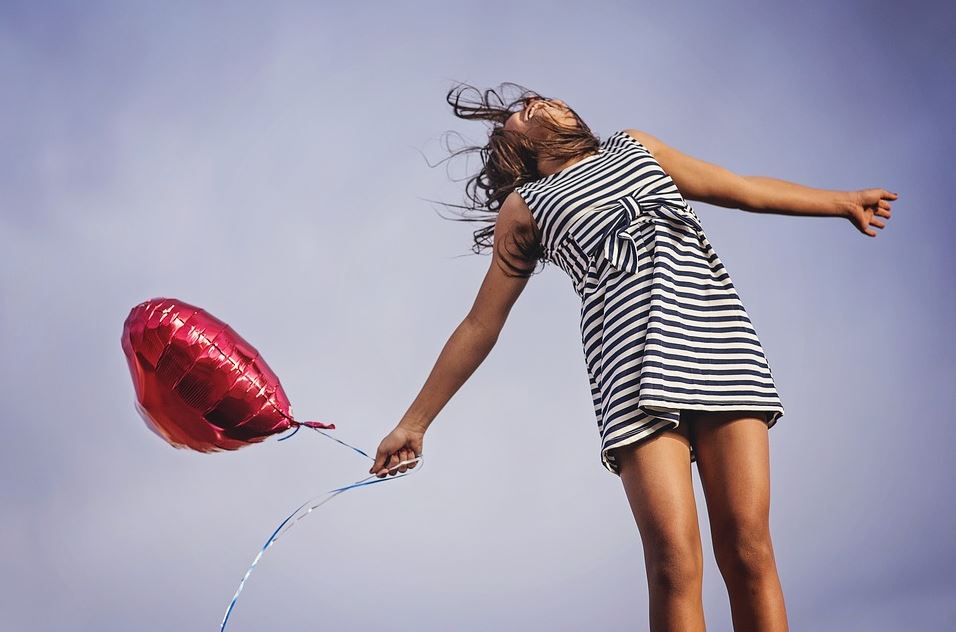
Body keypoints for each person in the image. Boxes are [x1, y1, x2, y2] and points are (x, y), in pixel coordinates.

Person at [368, 82, 897, 631]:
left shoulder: (635, 148)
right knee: (672, 564)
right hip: (629, 372)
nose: (541, 103)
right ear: (514, 144)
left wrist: (839, 202)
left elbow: (738, 188)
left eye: (539, 97)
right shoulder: (525, 207)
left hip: (719, 344)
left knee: (748, 546)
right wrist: (414, 422)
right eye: (523, 112)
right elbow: (481, 325)